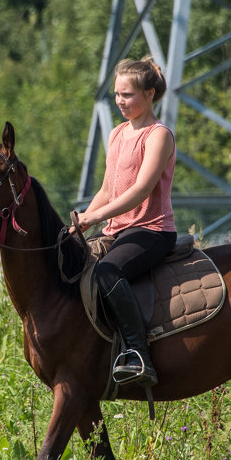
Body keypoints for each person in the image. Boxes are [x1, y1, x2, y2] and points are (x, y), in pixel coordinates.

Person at [72, 56, 176, 388]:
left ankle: (138, 354)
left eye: (128, 95)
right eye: (117, 94)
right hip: (116, 229)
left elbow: (141, 189)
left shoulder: (158, 135)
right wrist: (82, 221)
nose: (120, 101)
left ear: (149, 94)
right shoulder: (117, 133)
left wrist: (97, 216)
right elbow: (107, 188)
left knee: (106, 271)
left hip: (152, 230)